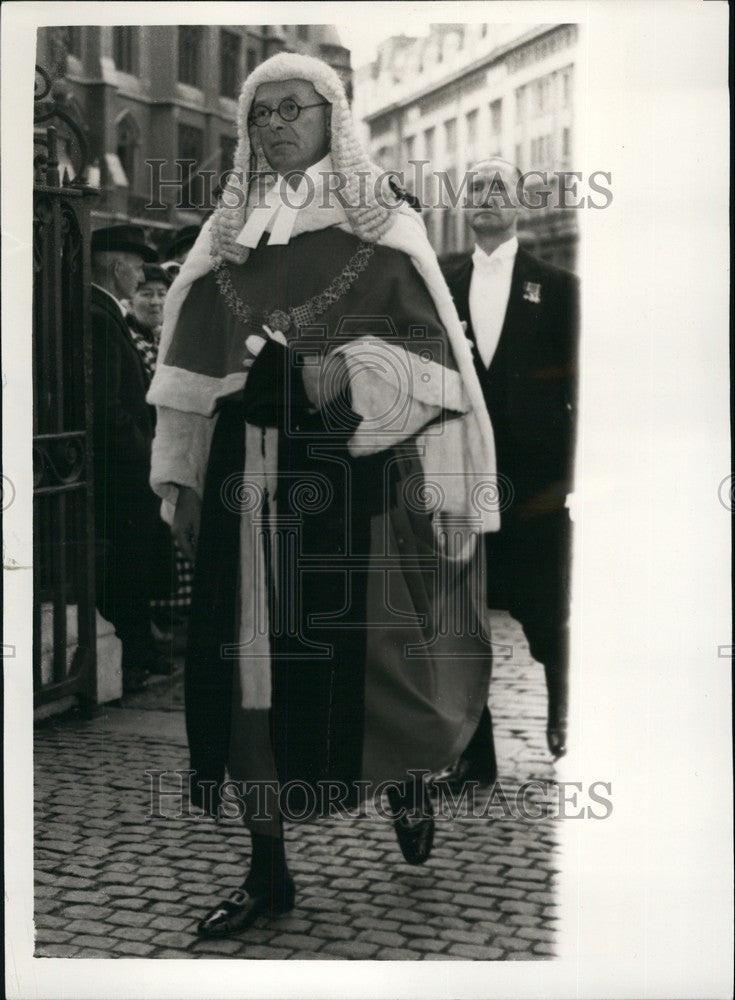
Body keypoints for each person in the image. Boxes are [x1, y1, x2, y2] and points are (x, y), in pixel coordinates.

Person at [148, 53, 501, 939]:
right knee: (245, 675)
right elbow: (186, 376)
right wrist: (181, 476)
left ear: (330, 117)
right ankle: (268, 870)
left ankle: (410, 781)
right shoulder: (226, 231)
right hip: (244, 482)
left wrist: (352, 367)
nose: (272, 126)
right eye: (258, 114)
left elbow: (439, 368)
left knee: (378, 660)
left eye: (289, 109)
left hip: (351, 480)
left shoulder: (382, 225)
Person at [440, 157, 579, 779]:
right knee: (462, 617)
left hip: (540, 485)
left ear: (520, 203)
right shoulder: (440, 285)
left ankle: (563, 711)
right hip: (467, 478)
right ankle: (475, 753)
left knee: (547, 610)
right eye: (477, 189)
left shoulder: (559, 287)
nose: (487, 198)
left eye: (500, 189)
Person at [90, 224, 163, 692]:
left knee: (132, 567)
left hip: (124, 466)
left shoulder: (104, 312)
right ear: (118, 268)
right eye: (137, 268)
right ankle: (132, 663)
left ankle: (137, 656)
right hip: (121, 471)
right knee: (126, 569)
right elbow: (108, 408)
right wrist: (146, 457)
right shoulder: (100, 317)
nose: (140, 278)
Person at [126, 265, 192, 642]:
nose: (154, 301)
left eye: (160, 294)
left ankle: (176, 617)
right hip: (147, 449)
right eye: (145, 294)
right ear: (131, 299)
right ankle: (158, 619)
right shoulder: (133, 339)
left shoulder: (168, 337)